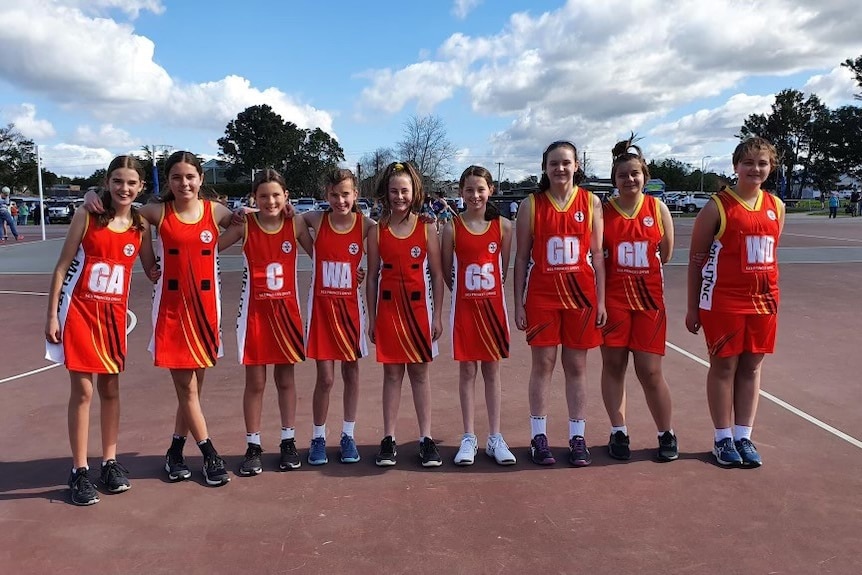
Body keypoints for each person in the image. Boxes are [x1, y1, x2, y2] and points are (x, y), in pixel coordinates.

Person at [84, 151, 236, 486]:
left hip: (207, 310)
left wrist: (217, 247)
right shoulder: (157, 211)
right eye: (177, 177)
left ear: (201, 179)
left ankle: (175, 452)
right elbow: (125, 210)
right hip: (172, 308)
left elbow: (248, 224)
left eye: (190, 177)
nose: (184, 183)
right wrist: (91, 194)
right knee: (186, 387)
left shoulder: (216, 212)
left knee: (193, 389)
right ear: (167, 182)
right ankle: (210, 453)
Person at [45, 156, 157, 505]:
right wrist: (52, 316)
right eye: (118, 181)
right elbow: (62, 267)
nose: (124, 188)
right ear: (108, 182)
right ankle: (79, 470)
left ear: (141, 187)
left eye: (132, 183)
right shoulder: (87, 215)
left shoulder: (141, 225)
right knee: (83, 392)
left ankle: (109, 462)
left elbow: (152, 268)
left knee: (111, 389)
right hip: (79, 312)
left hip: (113, 318)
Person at [686, 137, 784, 468]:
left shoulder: (776, 206)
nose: (755, 169)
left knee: (752, 367)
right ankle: (722, 438)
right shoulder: (717, 207)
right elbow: (697, 260)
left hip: (764, 301)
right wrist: (692, 306)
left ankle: (744, 435)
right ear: (735, 166)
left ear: (771, 167)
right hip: (723, 302)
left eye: (762, 163)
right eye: (748, 163)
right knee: (724, 367)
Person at [513, 140, 606, 467]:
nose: (560, 168)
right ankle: (539, 435)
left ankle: (577, 436)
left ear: (577, 165)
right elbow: (522, 257)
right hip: (542, 296)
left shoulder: (592, 203)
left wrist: (602, 300)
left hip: (581, 296)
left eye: (566, 162)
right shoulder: (531, 205)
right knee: (544, 364)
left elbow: (597, 256)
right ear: (545, 167)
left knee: (577, 366)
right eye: (554, 163)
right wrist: (518, 303)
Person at [218, 170, 313, 475]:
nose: (270, 201)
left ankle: (288, 441)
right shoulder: (246, 225)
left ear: (286, 196)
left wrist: (355, 273)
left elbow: (323, 254)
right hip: (254, 315)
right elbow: (207, 246)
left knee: (285, 381)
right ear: (253, 199)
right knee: (255, 383)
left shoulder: (295, 223)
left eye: (276, 195)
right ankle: (253, 444)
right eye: (263, 196)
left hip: (287, 315)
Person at [600, 135, 678, 462]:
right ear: (614, 180)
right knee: (614, 365)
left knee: (650, 371)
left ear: (644, 175)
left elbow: (667, 254)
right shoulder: (603, 213)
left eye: (635, 173)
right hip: (615, 301)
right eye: (622, 175)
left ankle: (666, 432)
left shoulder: (657, 208)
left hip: (649, 303)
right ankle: (618, 431)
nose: (629, 179)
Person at [366, 161, 444, 467]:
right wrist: (372, 319)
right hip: (388, 312)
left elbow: (437, 276)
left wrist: (437, 316)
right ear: (386, 193)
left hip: (418, 312)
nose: (399, 196)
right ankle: (389, 438)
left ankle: (425, 438)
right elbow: (372, 276)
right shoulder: (376, 231)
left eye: (405, 190)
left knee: (420, 374)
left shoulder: (426, 227)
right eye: (394, 190)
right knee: (392, 375)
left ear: (414, 192)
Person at [440, 166, 516, 466]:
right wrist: (463, 289)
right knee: (467, 371)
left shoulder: (503, 227)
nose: (475, 195)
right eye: (469, 190)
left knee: (492, 371)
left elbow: (504, 270)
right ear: (461, 192)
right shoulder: (452, 228)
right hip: (466, 310)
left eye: (480, 189)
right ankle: (469, 436)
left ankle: (495, 437)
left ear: (490, 190)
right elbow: (447, 271)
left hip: (493, 310)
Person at [302, 168, 375, 465]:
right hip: (321, 310)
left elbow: (396, 233)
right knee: (326, 378)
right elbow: (285, 215)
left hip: (350, 312)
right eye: (334, 195)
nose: (340, 200)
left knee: (351, 374)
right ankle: (318, 436)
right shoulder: (316, 221)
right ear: (326, 195)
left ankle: (348, 434)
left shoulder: (366, 226)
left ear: (355, 195)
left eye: (346, 194)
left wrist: (425, 219)